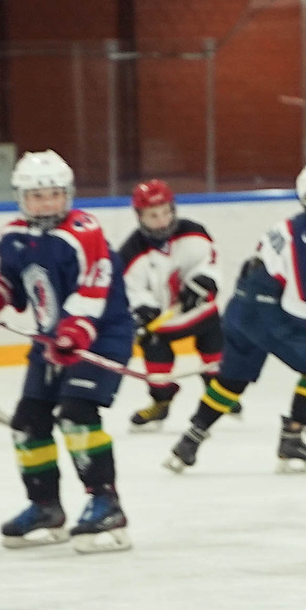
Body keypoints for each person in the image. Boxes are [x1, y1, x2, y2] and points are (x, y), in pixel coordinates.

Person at [0, 150, 136, 551]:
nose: (47, 203)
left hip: (103, 334)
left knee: (76, 414)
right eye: (38, 197)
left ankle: (105, 502)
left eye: (55, 194)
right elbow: (10, 283)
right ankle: (45, 506)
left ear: (68, 194)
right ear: (22, 198)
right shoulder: (12, 236)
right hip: (51, 340)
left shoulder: (84, 232)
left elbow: (94, 290)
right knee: (27, 422)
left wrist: (77, 330)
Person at [164, 162, 306, 476]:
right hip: (269, 314)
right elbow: (303, 303)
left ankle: (190, 441)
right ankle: (293, 437)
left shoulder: (303, 229)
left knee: (234, 378)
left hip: (243, 310)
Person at [113, 178, 223, 431]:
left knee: (215, 352)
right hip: (162, 325)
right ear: (139, 216)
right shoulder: (130, 252)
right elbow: (130, 289)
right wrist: (143, 308)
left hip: (200, 313)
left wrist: (204, 281)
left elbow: (209, 262)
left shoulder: (194, 231)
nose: (162, 221)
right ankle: (161, 403)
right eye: (153, 215)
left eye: (166, 212)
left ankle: (219, 393)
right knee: (156, 362)